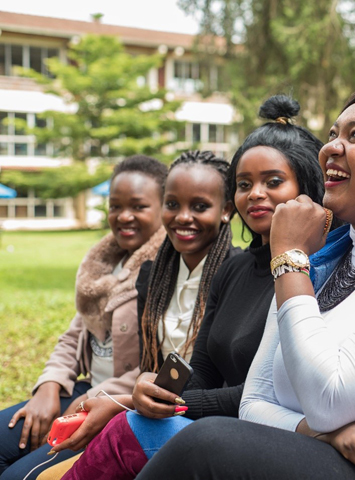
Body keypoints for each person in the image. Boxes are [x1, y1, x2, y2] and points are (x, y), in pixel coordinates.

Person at [135, 81, 355, 480]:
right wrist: (331, 435)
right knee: (150, 430)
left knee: (206, 445)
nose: (331, 148)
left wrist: (289, 258)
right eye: (332, 135)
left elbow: (330, 398)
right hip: (321, 453)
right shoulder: (323, 255)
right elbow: (254, 402)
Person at [55, 95, 327, 480]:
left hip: (270, 434)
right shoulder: (232, 270)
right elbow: (200, 370)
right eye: (244, 183)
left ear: (309, 186)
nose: (255, 194)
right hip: (209, 423)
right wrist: (153, 389)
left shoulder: (310, 270)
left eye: (274, 182)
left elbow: (262, 391)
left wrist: (157, 405)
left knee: (131, 429)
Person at [31, 150, 235, 477]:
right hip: (139, 411)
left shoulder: (232, 276)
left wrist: (120, 401)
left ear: (226, 210)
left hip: (182, 424)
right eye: (173, 204)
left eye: (199, 206)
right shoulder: (152, 275)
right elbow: (145, 363)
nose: (183, 217)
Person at [0, 155, 168, 480]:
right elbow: (73, 334)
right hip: (82, 389)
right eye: (115, 206)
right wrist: (49, 386)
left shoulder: (163, 274)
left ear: (164, 208)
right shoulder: (104, 265)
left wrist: (86, 403)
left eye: (138, 206)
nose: (124, 216)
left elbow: (155, 366)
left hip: (114, 404)